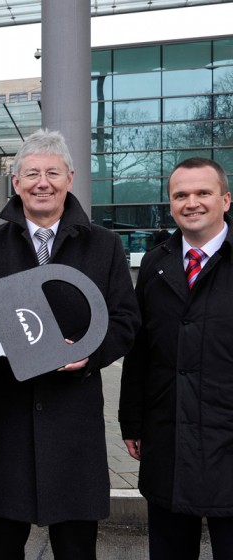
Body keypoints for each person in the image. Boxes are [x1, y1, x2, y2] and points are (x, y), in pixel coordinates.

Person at [0, 129, 140, 559]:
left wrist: (90, 353)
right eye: (32, 173)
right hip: (4, 422)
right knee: (2, 549)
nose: (43, 182)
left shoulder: (104, 245)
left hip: (72, 425)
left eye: (53, 173)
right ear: (17, 182)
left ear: (70, 179)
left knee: (76, 548)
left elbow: (126, 320)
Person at [119, 157, 233, 560]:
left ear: (226, 199)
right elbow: (139, 350)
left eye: (203, 192)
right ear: (170, 204)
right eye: (180, 195)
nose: (192, 202)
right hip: (167, 438)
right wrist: (131, 421)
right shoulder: (155, 263)